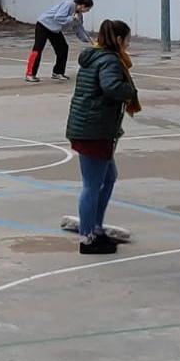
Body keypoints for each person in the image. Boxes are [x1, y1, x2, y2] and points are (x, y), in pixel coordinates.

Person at [65, 19, 140, 256]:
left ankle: (95, 228)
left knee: (108, 178)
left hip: (92, 128)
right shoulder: (109, 61)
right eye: (127, 40)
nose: (128, 45)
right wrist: (130, 91)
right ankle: (88, 239)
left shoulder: (96, 57)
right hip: (94, 130)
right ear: (118, 40)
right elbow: (111, 87)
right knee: (92, 184)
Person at [25, 0, 94, 83]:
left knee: (63, 48)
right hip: (44, 25)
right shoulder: (69, 5)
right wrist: (71, 18)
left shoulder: (79, 15)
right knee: (38, 48)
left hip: (54, 30)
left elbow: (79, 28)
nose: (88, 11)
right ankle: (30, 74)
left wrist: (88, 40)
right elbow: (58, 17)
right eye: (88, 9)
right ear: (83, 6)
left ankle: (58, 72)